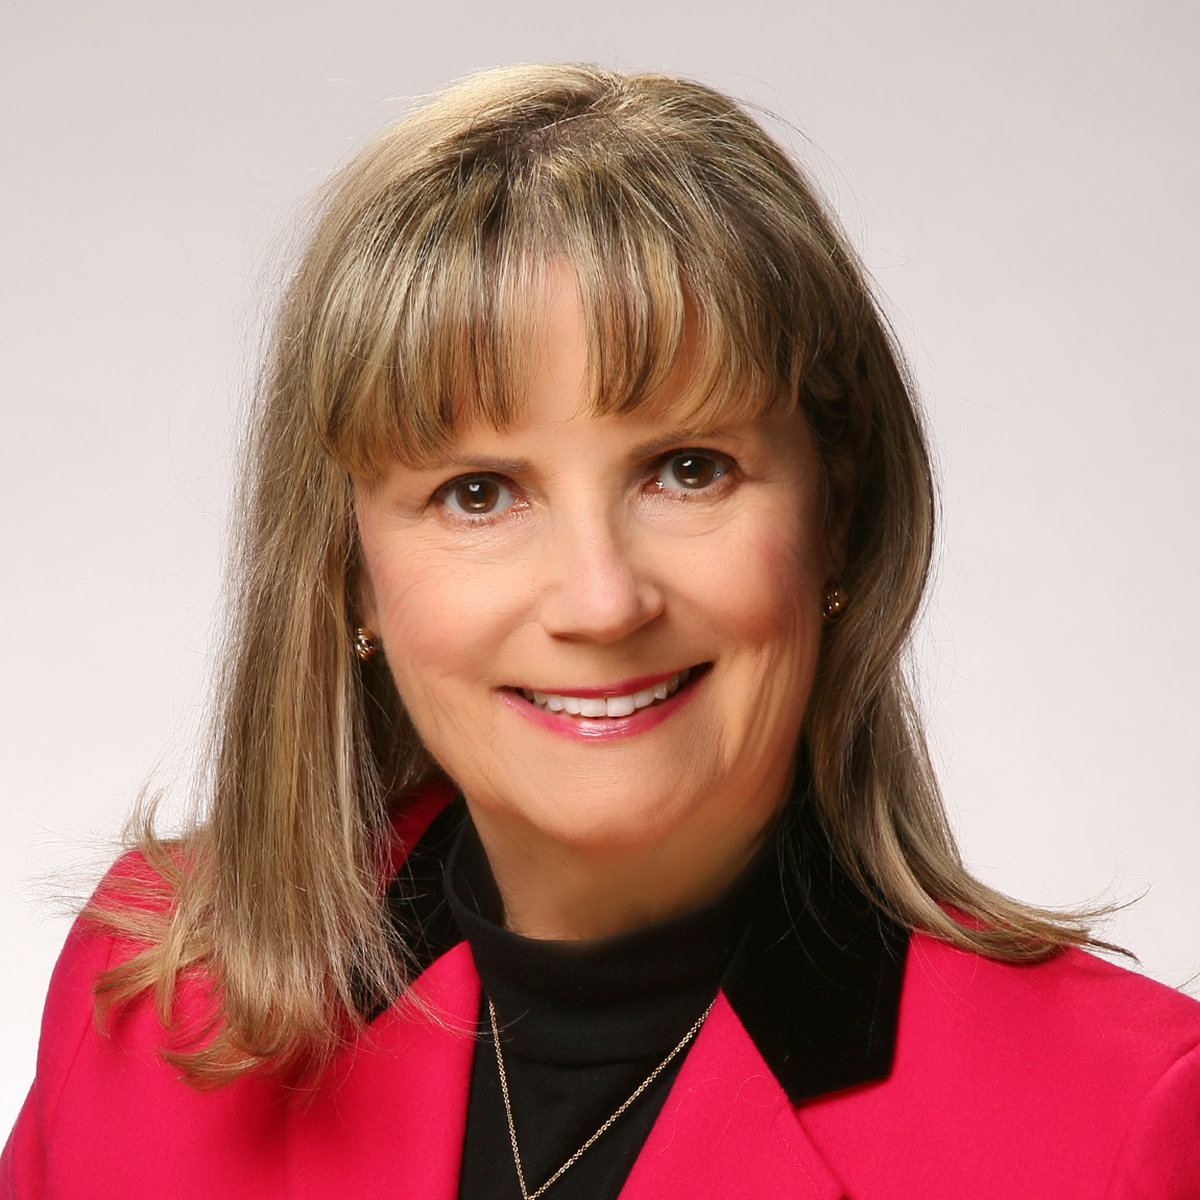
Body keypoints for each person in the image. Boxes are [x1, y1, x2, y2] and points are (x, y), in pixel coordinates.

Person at [3, 62, 1198, 1200]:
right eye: (479, 492)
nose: (600, 600)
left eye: (687, 469)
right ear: (350, 576)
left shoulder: (1119, 1121)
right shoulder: (151, 1000)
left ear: (841, 512)